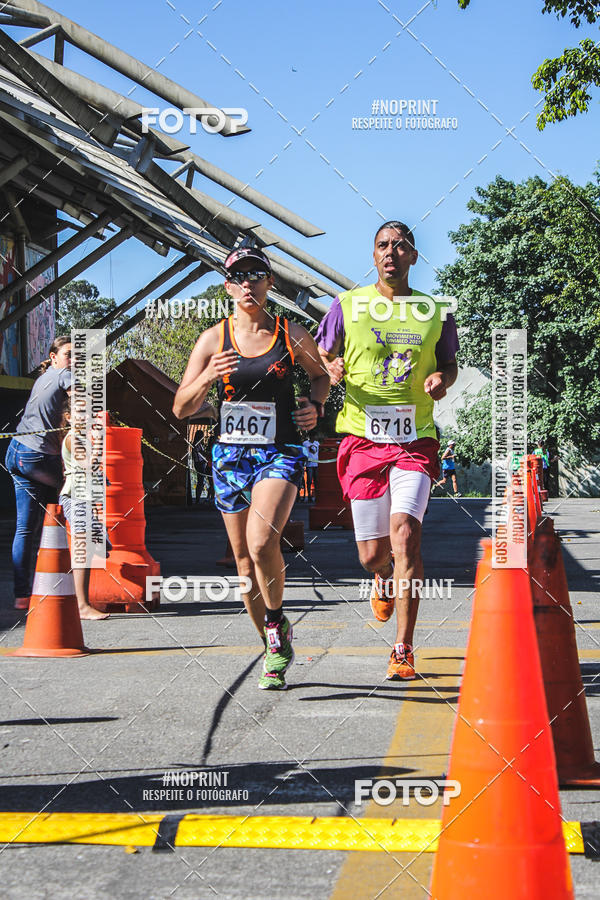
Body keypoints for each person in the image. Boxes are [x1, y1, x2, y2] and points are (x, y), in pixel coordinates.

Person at [173, 246, 330, 690]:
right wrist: (206, 378)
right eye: (238, 276)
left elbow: (321, 375)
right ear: (227, 286)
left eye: (255, 275)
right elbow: (181, 408)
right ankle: (273, 646)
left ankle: (277, 621)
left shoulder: (291, 333)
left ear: (270, 283)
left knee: (263, 545)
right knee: (244, 563)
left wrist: (314, 406)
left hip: (280, 450)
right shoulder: (212, 339)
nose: (247, 283)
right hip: (230, 456)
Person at [316, 221, 459, 680]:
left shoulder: (435, 310)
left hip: (414, 441)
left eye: (400, 246)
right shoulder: (347, 305)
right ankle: (380, 577)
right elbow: (319, 350)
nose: (391, 252)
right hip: (361, 440)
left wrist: (442, 379)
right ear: (373, 255)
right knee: (371, 554)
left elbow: (450, 362)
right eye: (382, 245)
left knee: (405, 536)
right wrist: (330, 365)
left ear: (414, 257)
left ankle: (403, 646)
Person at [5, 336, 73, 610]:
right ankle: (96, 552)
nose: (74, 360)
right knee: (75, 493)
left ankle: (22, 595)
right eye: (69, 354)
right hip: (36, 456)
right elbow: (82, 401)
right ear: (54, 356)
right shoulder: (63, 375)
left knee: (25, 528)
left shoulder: (42, 378)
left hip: (16, 453)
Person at [58, 399, 109, 620]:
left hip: (83, 497)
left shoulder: (79, 438)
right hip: (75, 497)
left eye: (88, 412)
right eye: (80, 412)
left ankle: (82, 601)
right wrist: (98, 443)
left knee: (91, 546)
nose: (86, 417)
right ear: (68, 417)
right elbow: (89, 465)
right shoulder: (73, 439)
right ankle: (81, 604)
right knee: (82, 549)